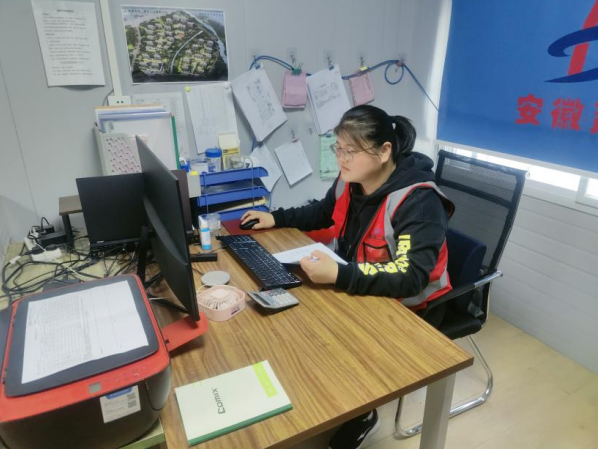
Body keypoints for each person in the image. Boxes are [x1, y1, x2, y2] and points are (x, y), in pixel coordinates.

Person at [241, 105, 454, 448]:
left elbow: (411, 276)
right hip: (363, 287)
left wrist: (340, 274)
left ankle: (361, 412)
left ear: (384, 151)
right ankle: (313, 400)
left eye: (350, 151)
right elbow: (323, 212)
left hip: (412, 309)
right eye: (338, 148)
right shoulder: (350, 182)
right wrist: (276, 217)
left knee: (336, 341)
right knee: (294, 317)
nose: (341, 158)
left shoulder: (418, 201)